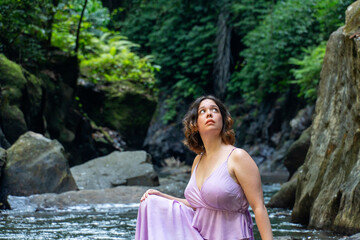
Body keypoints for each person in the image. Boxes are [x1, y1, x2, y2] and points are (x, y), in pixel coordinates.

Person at [135, 95, 273, 240]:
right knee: (151, 202)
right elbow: (199, 205)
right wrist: (161, 196)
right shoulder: (198, 160)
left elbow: (259, 207)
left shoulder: (238, 157)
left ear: (223, 120)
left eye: (215, 110)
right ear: (195, 124)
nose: (209, 114)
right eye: (202, 111)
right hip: (200, 235)